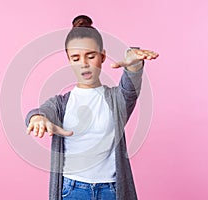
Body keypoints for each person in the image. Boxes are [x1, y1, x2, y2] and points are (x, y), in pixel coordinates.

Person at [25, 15, 159, 200]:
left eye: (91, 56)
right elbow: (40, 112)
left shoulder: (116, 99)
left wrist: (134, 65)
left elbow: (130, 88)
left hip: (111, 191)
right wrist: (37, 118)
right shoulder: (60, 104)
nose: (84, 64)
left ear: (102, 56)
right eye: (76, 57)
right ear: (69, 60)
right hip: (71, 190)